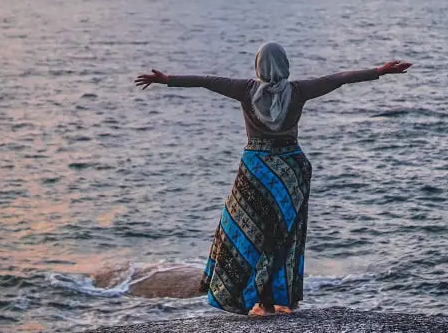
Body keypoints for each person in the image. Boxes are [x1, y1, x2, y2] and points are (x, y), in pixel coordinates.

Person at [135, 42, 411, 317]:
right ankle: (281, 299)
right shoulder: (298, 91)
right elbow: (338, 79)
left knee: (245, 232)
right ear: (285, 65)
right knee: (285, 237)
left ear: (258, 66)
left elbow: (206, 81)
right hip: (291, 169)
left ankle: (255, 300)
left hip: (256, 169)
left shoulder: (246, 90)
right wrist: (380, 71)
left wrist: (166, 80)